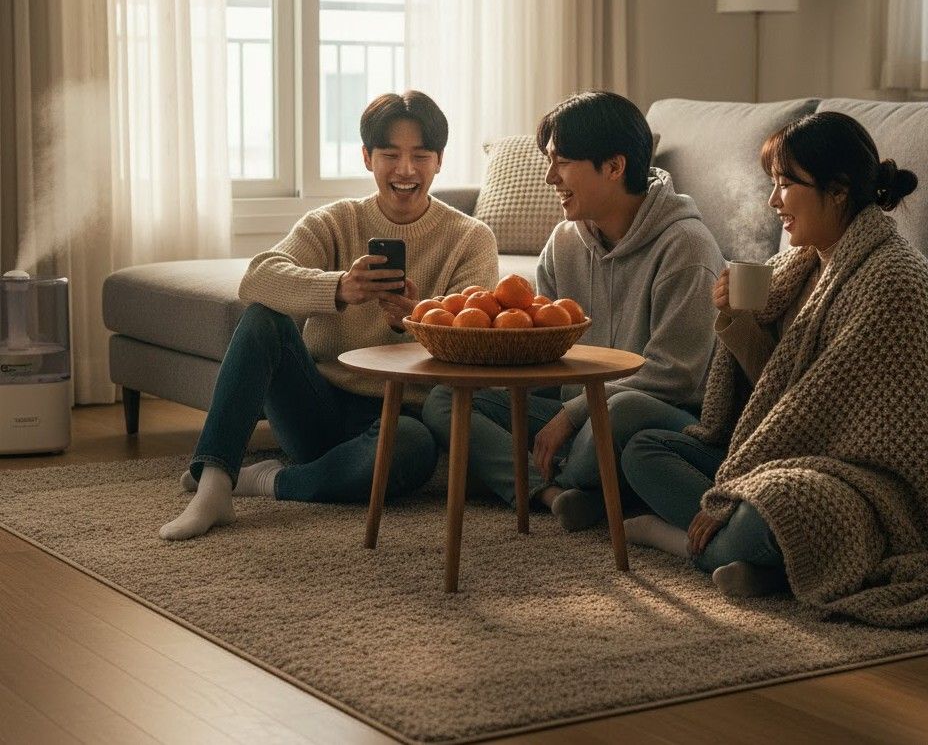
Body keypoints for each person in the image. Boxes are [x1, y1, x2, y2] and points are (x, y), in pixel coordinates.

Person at [621, 111, 928, 626]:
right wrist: (737, 323)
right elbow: (775, 389)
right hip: (780, 448)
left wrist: (732, 492)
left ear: (837, 192)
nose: (773, 202)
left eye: (786, 184)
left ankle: (678, 539)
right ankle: (768, 561)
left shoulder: (894, 278)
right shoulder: (799, 265)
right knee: (645, 448)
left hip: (862, 479)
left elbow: (813, 411)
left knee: (770, 509)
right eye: (772, 184)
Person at [160, 91, 498, 540]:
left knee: (413, 450)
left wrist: (418, 317)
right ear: (366, 158)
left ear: (439, 161)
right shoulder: (335, 221)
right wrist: (338, 288)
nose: (405, 170)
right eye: (390, 155)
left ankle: (262, 480)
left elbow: (474, 339)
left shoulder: (471, 238)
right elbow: (257, 278)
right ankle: (216, 482)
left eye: (420, 155)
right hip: (318, 404)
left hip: (401, 418)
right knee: (264, 318)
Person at [422, 91, 725, 530]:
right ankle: (552, 492)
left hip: (658, 419)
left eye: (561, 163)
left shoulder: (687, 248)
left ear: (615, 167)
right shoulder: (565, 241)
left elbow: (674, 375)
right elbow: (542, 349)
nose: (549, 178)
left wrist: (571, 415)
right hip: (576, 418)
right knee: (448, 398)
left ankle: (540, 477)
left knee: (619, 414)